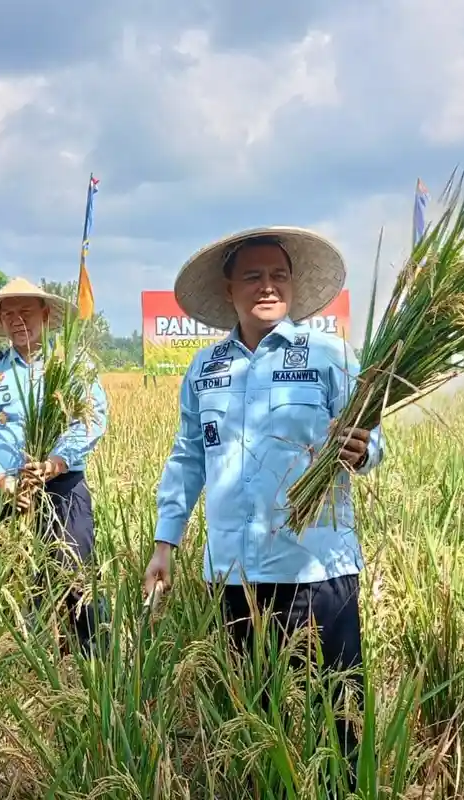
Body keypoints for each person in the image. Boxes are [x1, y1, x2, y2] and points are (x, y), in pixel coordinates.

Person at [142, 226, 384, 787]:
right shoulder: (205, 369)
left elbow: (373, 438)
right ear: (230, 290)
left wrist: (364, 448)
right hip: (235, 573)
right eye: (252, 276)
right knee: (254, 722)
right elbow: (187, 459)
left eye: (278, 275)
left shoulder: (329, 355)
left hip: (317, 567)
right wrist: (164, 543)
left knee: (339, 720)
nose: (266, 286)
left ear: (294, 285)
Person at [0, 277, 109, 654]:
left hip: (63, 486)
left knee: (74, 569)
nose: (17, 320)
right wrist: (2, 482)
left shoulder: (73, 366)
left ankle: (95, 657)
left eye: (25, 311)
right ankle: (30, 655)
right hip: (9, 491)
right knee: (19, 576)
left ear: (44, 314)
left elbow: (91, 421)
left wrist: (55, 463)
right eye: (8, 314)